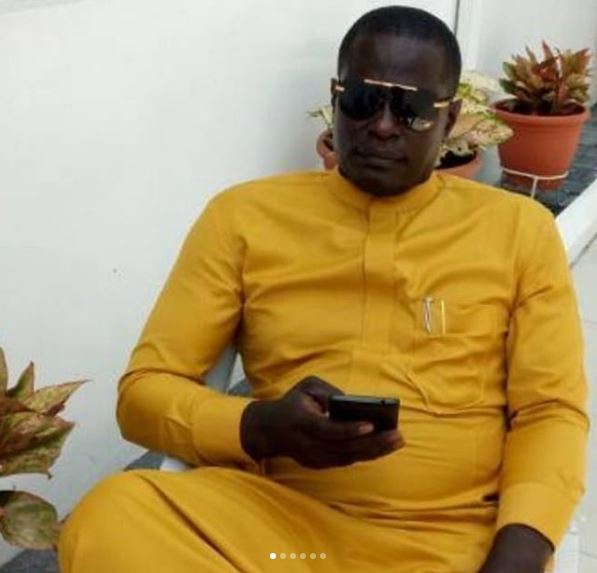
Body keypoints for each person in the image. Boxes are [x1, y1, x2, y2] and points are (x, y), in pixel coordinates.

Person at [58, 6, 588, 573]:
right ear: (335, 99)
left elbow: (550, 411)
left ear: (450, 117)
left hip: (448, 542)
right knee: (109, 517)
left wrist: (516, 557)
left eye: (410, 109)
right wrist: (257, 427)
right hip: (283, 537)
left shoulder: (518, 231)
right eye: (363, 100)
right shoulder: (243, 217)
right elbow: (142, 394)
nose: (382, 126)